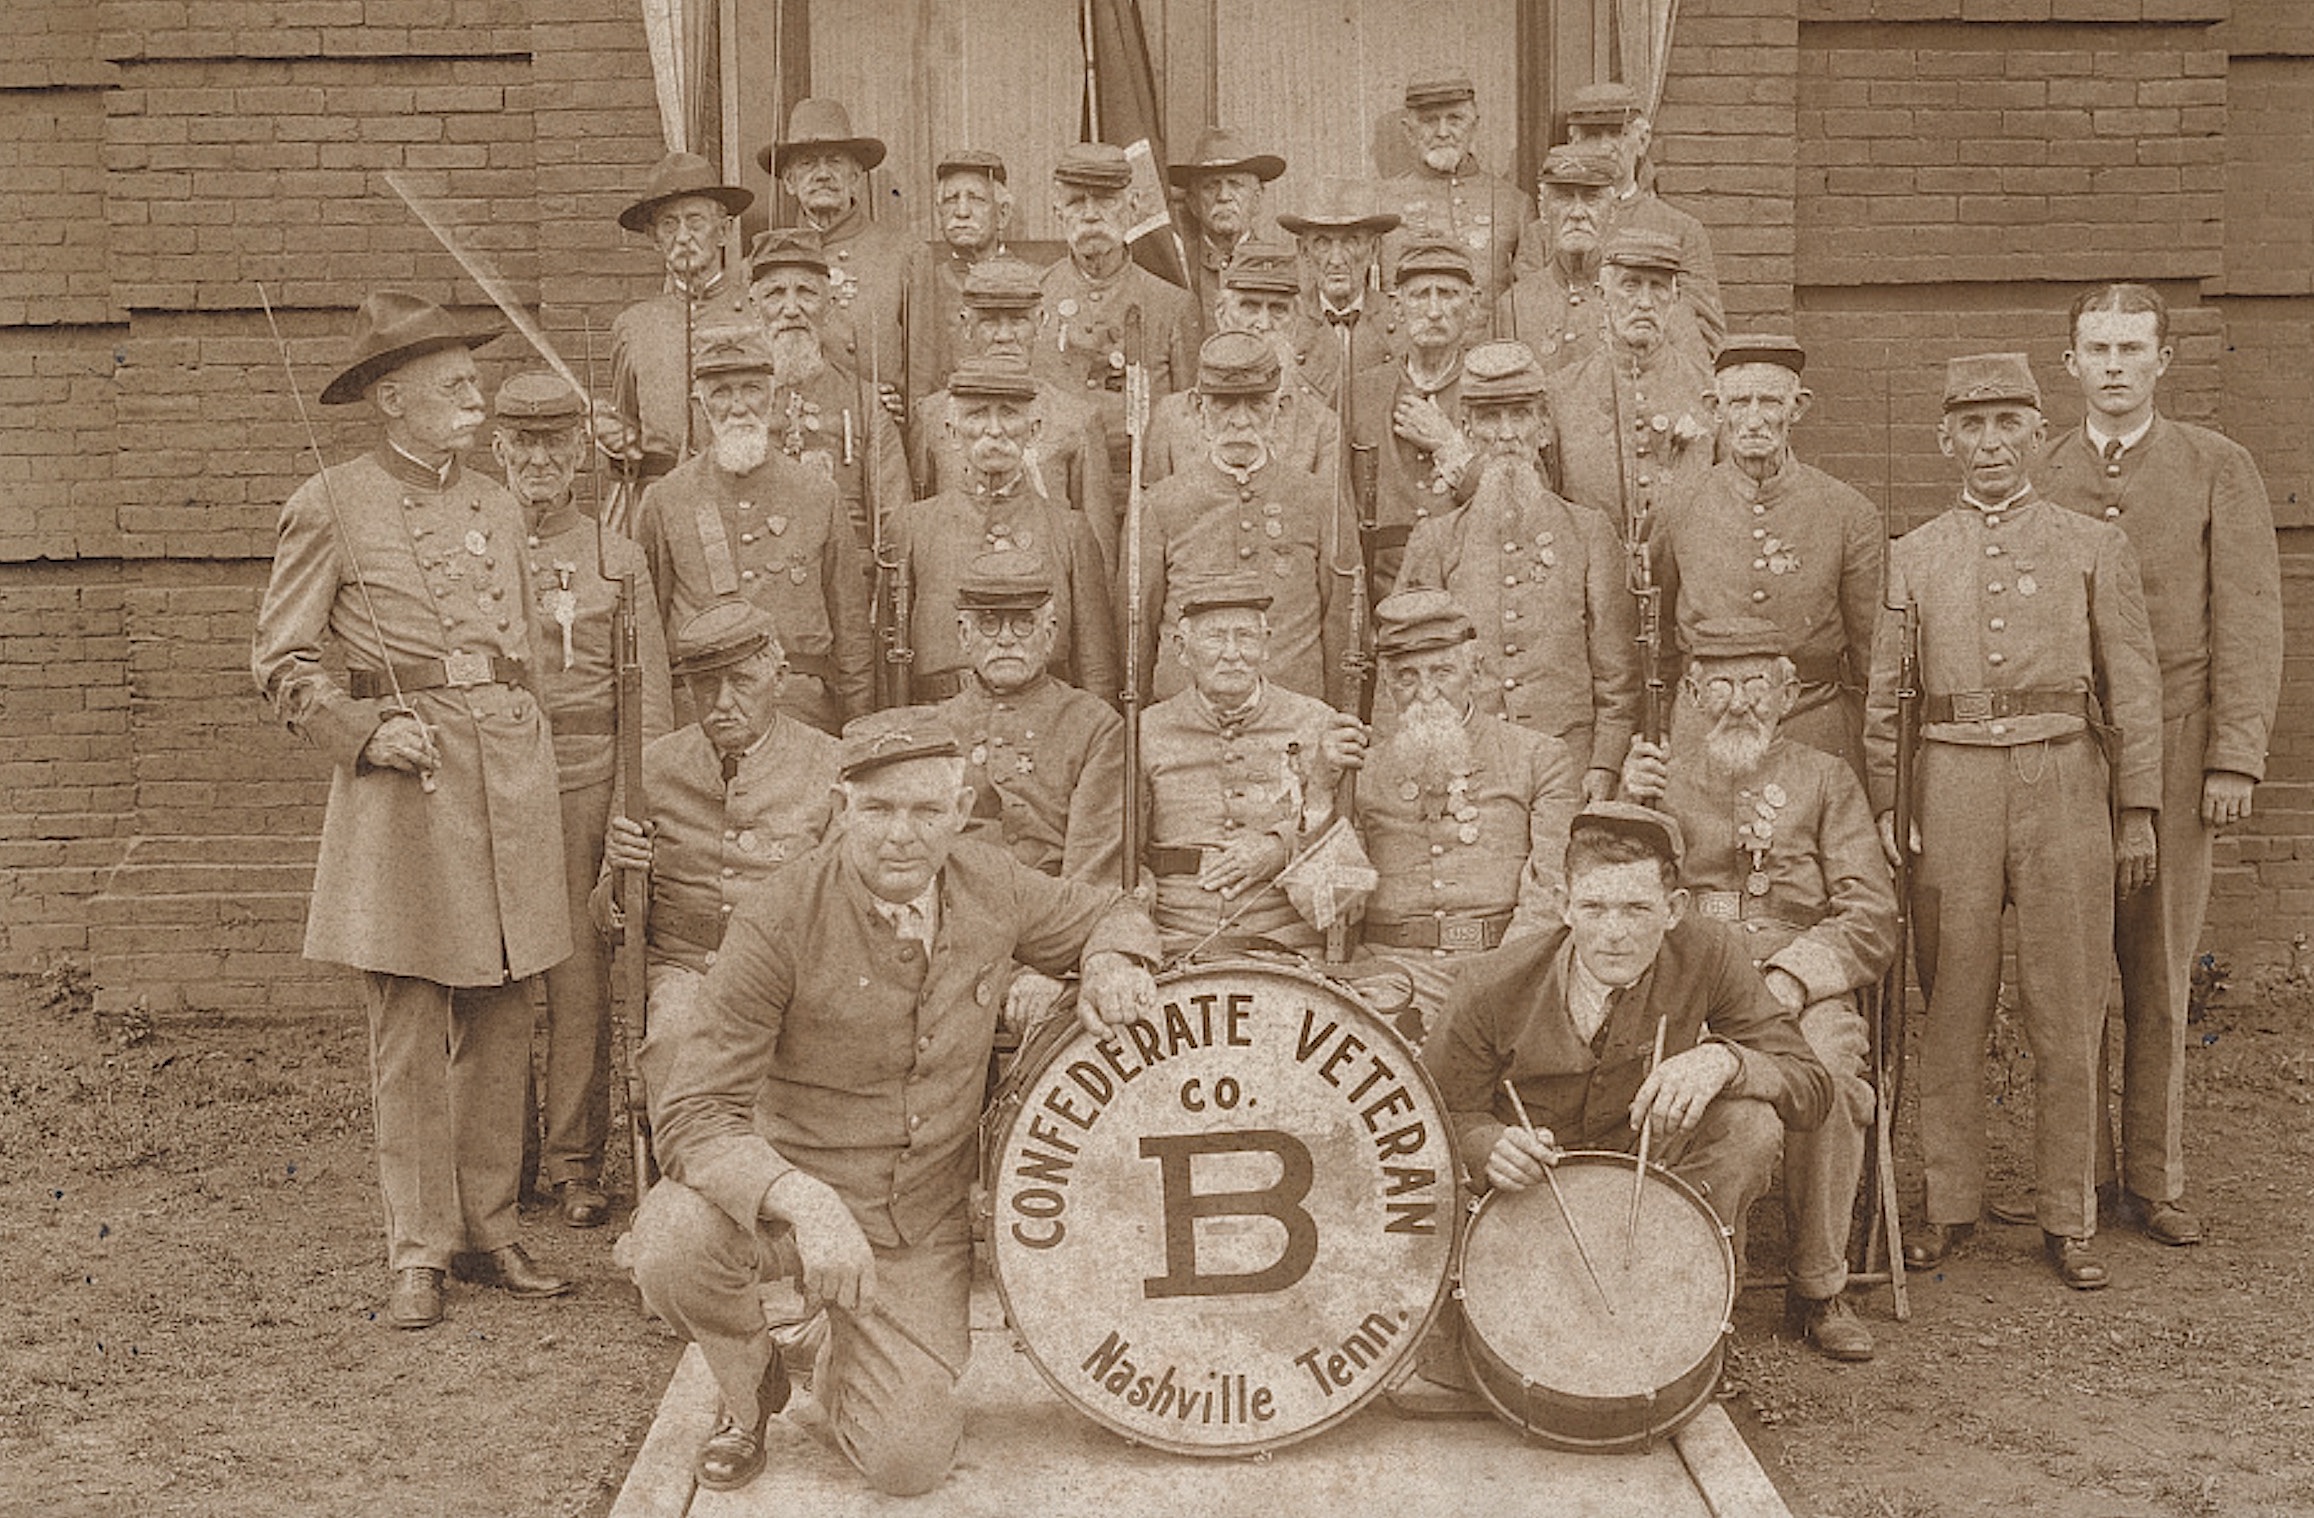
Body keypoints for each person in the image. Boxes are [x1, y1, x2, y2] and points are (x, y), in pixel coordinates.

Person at [627, 708, 1162, 1496]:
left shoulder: (992, 883)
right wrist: (802, 1200)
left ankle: (825, 1349)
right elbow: (693, 1113)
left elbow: (1109, 909)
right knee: (670, 1238)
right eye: (877, 809)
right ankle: (750, 1390)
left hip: (919, 1222)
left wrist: (1113, 958)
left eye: (924, 810)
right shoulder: (779, 916)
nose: (900, 835)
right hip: (792, 1206)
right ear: (843, 810)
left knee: (906, 1464)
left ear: (959, 814)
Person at [252, 292, 573, 1329]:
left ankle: (491, 1228)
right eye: (454, 386)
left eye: (472, 383)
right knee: (410, 1020)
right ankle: (418, 1250)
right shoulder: (329, 501)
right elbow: (283, 663)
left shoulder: (496, 501)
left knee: (506, 1006)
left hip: (505, 773)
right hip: (407, 779)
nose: (476, 399)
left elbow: (522, 639)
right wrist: (362, 733)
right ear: (393, 400)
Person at [1867, 352, 2162, 1292]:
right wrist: (1889, 803)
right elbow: (1885, 704)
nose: (1990, 445)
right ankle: (1947, 1205)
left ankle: (2068, 1214)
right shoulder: (1911, 556)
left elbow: (2135, 688)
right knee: (1950, 1004)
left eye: (2008, 426)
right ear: (1944, 439)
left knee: (2067, 1003)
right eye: (1972, 427)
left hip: (2065, 779)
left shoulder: (2090, 545)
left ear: (2040, 433)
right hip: (1950, 784)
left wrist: (2138, 809)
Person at [1410, 802, 1832, 1396]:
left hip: (1652, 1199)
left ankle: (1680, 1309)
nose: (1614, 932)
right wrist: (1488, 1145)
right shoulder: (1491, 985)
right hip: (1531, 1200)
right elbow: (1433, 1114)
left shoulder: (1708, 954)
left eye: (1637, 909)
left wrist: (1726, 1060)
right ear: (1564, 906)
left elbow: (1810, 1086)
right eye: (1594, 908)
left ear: (1674, 910)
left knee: (1750, 1123)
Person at [2037, 283, 2282, 1247]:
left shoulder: (2217, 466)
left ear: (2162, 361)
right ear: (2070, 363)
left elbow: (2251, 624)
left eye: (2132, 348)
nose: (2112, 365)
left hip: (2178, 748)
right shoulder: (2039, 465)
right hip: (2063, 750)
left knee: (2157, 962)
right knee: (2068, 968)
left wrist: (2234, 759)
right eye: (2096, 347)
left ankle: (2156, 1174)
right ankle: (2081, 1175)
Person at [1621, 617, 1895, 1361]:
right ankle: (1687, 1281)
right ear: (1690, 692)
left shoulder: (1826, 777)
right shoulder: (1658, 775)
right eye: (1719, 685)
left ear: (1786, 693)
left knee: (1832, 1077)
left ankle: (1819, 1287)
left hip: (1794, 975)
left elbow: (1870, 911)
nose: (1737, 702)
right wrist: (1631, 807)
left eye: (1754, 685)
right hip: (1687, 977)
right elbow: (1622, 892)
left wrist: (1794, 977)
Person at [492, 370, 674, 1228]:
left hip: (585, 778)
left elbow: (650, 699)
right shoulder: (475, 550)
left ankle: (572, 1162)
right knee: (492, 972)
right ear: (499, 449)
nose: (538, 460)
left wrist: (629, 809)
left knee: (577, 978)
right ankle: (499, 1161)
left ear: (578, 456)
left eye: (554, 446)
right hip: (492, 782)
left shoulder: (616, 556)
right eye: (522, 444)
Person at [595, 600, 841, 1110]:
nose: (722, 702)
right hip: (686, 971)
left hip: (793, 975)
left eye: (741, 682)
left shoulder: (829, 765)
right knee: (676, 1038)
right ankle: (691, 1179)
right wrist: (620, 877)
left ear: (780, 678)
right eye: (705, 685)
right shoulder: (652, 768)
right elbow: (608, 920)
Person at [1398, 340, 1637, 797]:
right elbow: (1405, 666)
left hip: (1569, 764)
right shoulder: (1437, 540)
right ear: (1466, 431)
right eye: (1489, 417)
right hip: (1468, 765)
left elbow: (1617, 676)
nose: (1506, 434)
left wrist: (1604, 766)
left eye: (1520, 415)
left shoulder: (1589, 534)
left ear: (1543, 427)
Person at [1348, 589, 1580, 1036]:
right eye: (1406, 677)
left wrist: (1499, 983)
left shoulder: (1537, 757)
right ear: (1388, 683)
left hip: (1503, 972)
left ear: (1475, 671)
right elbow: (1332, 904)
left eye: (1442, 671)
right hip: (1388, 980)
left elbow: (1552, 890)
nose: (1426, 692)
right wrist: (1321, 793)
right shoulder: (1363, 770)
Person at [1651, 335, 1884, 770]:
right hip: (1704, 729)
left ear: (1797, 408)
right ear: (1715, 409)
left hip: (1813, 724)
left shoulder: (1848, 513)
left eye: (1771, 402)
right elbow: (1660, 640)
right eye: (1739, 403)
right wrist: (1660, 729)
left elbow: (1872, 658)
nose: (1755, 419)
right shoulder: (1677, 507)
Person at [636, 320, 873, 733]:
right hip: (702, 713)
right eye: (721, 392)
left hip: (799, 712)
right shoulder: (665, 499)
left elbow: (851, 634)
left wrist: (857, 734)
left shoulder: (819, 495)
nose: (738, 406)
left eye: (751, 389)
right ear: (700, 403)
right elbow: (647, 634)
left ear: (774, 394)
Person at [1137, 576, 1363, 960]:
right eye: (1214, 638)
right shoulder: (1145, 732)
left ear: (1267, 645)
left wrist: (1281, 846)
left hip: (1286, 949)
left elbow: (1345, 897)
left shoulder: (1316, 724)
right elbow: (1123, 858)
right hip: (1176, 946)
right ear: (1182, 649)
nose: (1231, 653)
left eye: (1245, 637)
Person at [1129, 330, 1355, 709]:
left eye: (1256, 404)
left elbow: (1342, 624)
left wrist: (1332, 717)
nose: (1240, 421)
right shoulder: (1160, 504)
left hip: (1293, 714)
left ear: (1278, 411)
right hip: (1187, 718)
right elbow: (1137, 624)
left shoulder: (1319, 500)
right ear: (1200, 411)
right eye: (1224, 405)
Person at [889, 357, 1118, 702]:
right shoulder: (912, 527)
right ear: (952, 433)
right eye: (977, 414)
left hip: (1045, 724)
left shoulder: (1070, 531)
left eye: (1009, 413)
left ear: (1034, 430)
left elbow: (1095, 666)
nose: (994, 430)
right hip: (938, 722)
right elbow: (889, 664)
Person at [932, 549, 1125, 884]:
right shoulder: (935, 729)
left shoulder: (1095, 726)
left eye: (1023, 623)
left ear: (1049, 635)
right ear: (964, 635)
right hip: (960, 911)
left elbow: (1093, 866)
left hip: (1057, 911)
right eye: (989, 623)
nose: (1006, 639)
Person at [909, 257, 1113, 564]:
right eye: (989, 320)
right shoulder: (932, 415)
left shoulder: (1077, 418)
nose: (1004, 336)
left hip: (1044, 592)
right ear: (966, 326)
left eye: (1018, 320)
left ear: (1041, 322)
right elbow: (917, 527)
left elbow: (1097, 551)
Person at [1037, 142, 1200, 511]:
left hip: (1141, 498)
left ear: (1133, 207)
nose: (1091, 215)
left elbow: (1189, 424)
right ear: (1057, 212)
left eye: (1106, 200)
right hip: (1057, 501)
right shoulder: (1034, 300)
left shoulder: (1172, 306)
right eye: (1077, 202)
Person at [742, 227, 916, 550]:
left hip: (844, 585)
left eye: (806, 293)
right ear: (754, 307)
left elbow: (895, 520)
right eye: (775, 294)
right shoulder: (732, 403)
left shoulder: (866, 403)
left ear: (830, 305)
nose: (791, 309)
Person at [1543, 227, 1717, 536]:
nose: (1645, 303)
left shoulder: (1708, 390)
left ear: (1675, 298)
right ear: (1602, 295)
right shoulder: (1561, 393)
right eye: (1631, 286)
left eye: (1658, 288)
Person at [603, 152, 758, 491]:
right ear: (655, 239)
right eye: (669, 224)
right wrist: (617, 442)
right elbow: (627, 429)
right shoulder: (634, 327)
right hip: (664, 503)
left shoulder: (759, 313)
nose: (683, 236)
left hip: (745, 497)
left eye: (695, 221)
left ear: (723, 231)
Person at [1346, 236, 1486, 596]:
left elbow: (1525, 504)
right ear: (1396, 307)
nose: (1435, 311)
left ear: (1473, 306)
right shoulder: (1358, 393)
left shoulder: (1492, 392)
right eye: (1421, 295)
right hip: (1382, 595)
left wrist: (1449, 446)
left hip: (1469, 586)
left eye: (1449, 294)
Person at [1144, 240, 1341, 492]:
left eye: (1278, 309)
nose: (1263, 323)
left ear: (1296, 322)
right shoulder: (1171, 417)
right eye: (1250, 306)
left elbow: (1330, 525)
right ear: (1221, 314)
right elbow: (1147, 520)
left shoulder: (1320, 426)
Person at [1560, 81, 1726, 357]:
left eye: (1616, 133)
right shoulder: (1544, 232)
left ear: (1642, 140)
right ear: (1573, 142)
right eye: (1591, 135)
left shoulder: (1681, 229)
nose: (1604, 147)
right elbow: (1532, 315)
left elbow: (1705, 336)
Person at [758, 97, 912, 386]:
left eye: (834, 161)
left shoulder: (902, 255)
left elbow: (922, 375)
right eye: (808, 163)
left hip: (876, 427)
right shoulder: (761, 265)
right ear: (789, 182)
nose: (823, 174)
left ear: (855, 176)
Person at [1378, 73, 1531, 340]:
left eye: (1455, 119)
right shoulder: (1381, 203)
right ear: (1408, 131)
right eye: (1429, 121)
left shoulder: (1514, 204)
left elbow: (1531, 299)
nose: (1442, 132)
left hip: (1491, 363)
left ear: (1474, 126)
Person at [903, 148, 1016, 406]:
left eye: (976, 198)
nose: (962, 211)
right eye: (951, 200)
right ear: (938, 214)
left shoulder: (1036, 284)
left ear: (1003, 214)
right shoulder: (923, 286)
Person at [1275, 177, 1402, 405]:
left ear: (1374, 249)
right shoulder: (1284, 320)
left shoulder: (1399, 320)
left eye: (1351, 242)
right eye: (1322, 243)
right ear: (1303, 251)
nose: (1336, 260)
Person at [1499, 145, 1619, 375]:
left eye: (1591, 200)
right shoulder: (1514, 305)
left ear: (1612, 211)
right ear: (1543, 210)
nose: (1577, 213)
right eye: (1564, 199)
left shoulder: (1631, 299)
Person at [1167, 126, 1286, 341]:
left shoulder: (1282, 268)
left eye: (1235, 184)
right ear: (1193, 203)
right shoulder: (1177, 268)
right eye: (1211, 186)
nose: (1223, 196)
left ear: (1256, 200)